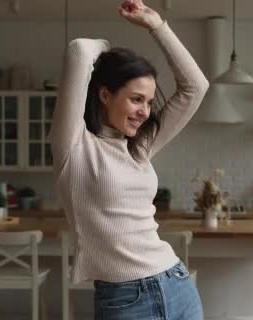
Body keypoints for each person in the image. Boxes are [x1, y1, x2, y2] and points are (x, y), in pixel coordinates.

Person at [50, 0, 209, 318]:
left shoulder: (139, 145)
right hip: (124, 299)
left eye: (149, 102)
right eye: (136, 99)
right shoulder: (74, 146)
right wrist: (105, 51)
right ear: (105, 95)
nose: (145, 111)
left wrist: (156, 24)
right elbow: (80, 51)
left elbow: (196, 87)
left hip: (176, 283)